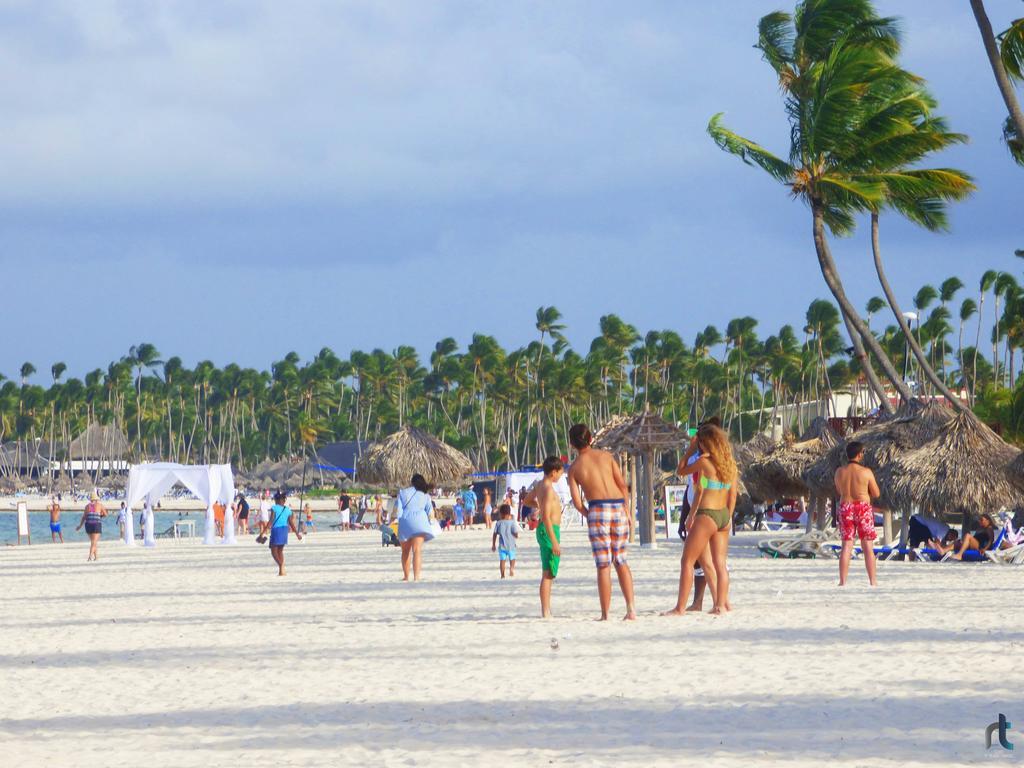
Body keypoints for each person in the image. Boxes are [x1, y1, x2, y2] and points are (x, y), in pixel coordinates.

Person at [663, 423, 737, 616]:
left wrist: (689, 451)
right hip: (722, 515)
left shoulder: (704, 462)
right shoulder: (729, 465)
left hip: (708, 515)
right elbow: (704, 489)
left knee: (687, 561)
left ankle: (679, 608)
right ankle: (720, 605)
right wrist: (727, 516)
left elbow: (680, 470)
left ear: (706, 444)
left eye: (700, 443)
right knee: (720, 564)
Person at [566, 423, 637, 621]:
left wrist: (589, 514)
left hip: (597, 508)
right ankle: (631, 609)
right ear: (590, 439)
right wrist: (626, 510)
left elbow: (577, 502)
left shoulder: (574, 468)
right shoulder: (606, 457)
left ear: (572, 444)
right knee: (621, 560)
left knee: (603, 564)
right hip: (618, 506)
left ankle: (606, 614)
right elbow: (622, 485)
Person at [834, 441, 880, 586]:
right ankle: (873, 581)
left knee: (846, 545)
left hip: (845, 506)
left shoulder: (840, 471)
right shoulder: (866, 472)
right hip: (862, 507)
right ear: (860, 454)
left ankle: (842, 581)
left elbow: (839, 490)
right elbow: (876, 493)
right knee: (867, 546)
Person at [533, 457, 565, 618]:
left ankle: (546, 610)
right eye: (560, 472)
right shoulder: (547, 489)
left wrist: (538, 504)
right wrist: (554, 542)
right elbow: (545, 517)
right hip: (549, 530)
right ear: (554, 472)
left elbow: (527, 500)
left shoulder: (540, 485)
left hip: (547, 529)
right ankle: (545, 611)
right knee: (548, 573)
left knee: (548, 572)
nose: (561, 475)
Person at [395, 474, 436, 581]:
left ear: (412, 482)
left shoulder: (402, 493)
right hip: (420, 522)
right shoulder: (425, 495)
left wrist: (396, 521)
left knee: (405, 551)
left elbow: (398, 511)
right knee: (417, 550)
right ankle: (416, 577)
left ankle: (406, 576)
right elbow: (430, 512)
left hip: (406, 521)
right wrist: (431, 522)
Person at [268, 491, 302, 576]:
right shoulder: (287, 510)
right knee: (280, 551)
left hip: (276, 530)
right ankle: (281, 571)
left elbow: (271, 520)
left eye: (275, 499)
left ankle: (280, 566)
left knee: (273, 551)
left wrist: (264, 530)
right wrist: (297, 534)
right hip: (284, 530)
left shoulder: (274, 508)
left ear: (277, 500)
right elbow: (291, 523)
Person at [75, 492, 108, 562]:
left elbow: (84, 517)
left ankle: (96, 557)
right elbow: (105, 514)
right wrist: (100, 515)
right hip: (96, 524)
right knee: (94, 542)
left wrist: (80, 526)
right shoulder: (100, 505)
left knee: (93, 542)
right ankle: (90, 556)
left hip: (88, 525)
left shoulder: (87, 506)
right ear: (96, 499)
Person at [491, 505, 520, 578]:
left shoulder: (498, 523)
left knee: (502, 561)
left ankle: (502, 575)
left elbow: (494, 534)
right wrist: (515, 535)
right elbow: (516, 534)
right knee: (512, 558)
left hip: (502, 546)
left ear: (500, 514)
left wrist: (493, 544)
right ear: (509, 513)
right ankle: (511, 568)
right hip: (511, 545)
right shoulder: (512, 522)